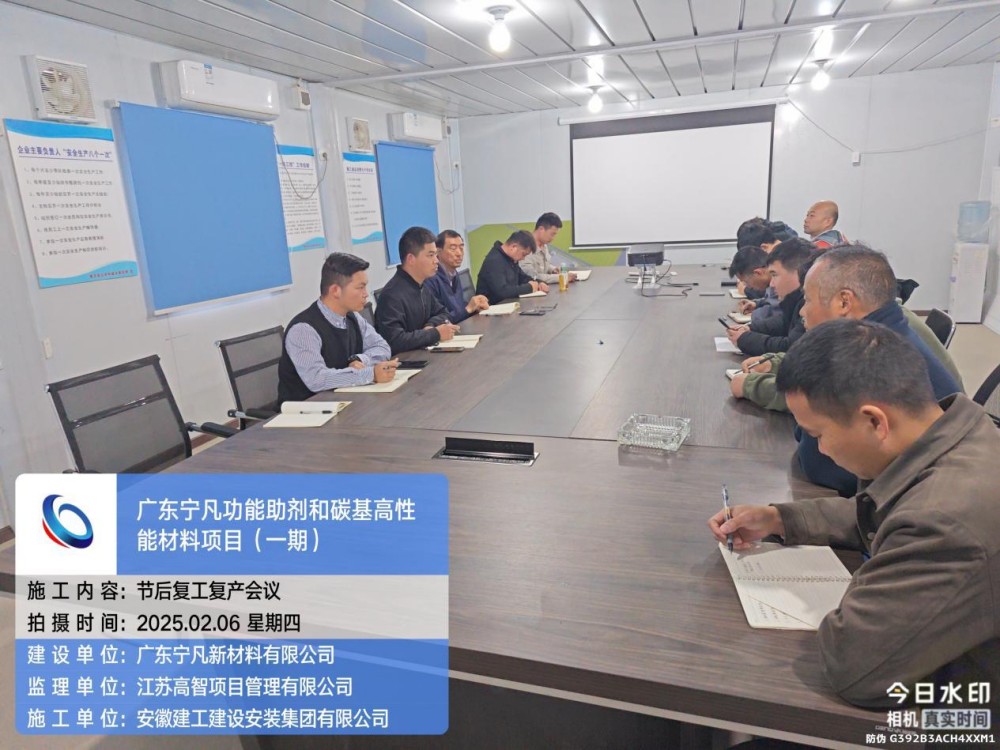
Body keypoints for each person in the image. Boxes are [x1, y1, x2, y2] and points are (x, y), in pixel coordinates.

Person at [709, 319, 999, 709]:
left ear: (874, 421)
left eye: (818, 434)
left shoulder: (945, 520)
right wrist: (778, 519)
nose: (820, 449)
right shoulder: (958, 433)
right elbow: (884, 512)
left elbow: (854, 667)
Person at [731, 245, 962, 496]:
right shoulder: (885, 330)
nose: (802, 311)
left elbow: (821, 466)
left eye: (808, 299)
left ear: (844, 302)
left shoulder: (871, 353)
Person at [278, 252, 396, 404]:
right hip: (307, 411)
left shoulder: (353, 318)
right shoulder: (303, 329)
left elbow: (382, 347)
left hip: (344, 402)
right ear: (335, 291)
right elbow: (317, 379)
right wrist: (370, 374)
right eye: (360, 287)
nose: (366, 294)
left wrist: (360, 359)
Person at [375, 226, 460, 355]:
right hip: (404, 361)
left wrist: (431, 325)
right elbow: (395, 341)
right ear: (411, 259)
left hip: (424, 355)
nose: (436, 261)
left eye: (436, 255)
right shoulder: (392, 295)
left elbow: (444, 313)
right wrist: (434, 333)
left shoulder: (421, 286)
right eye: (430, 255)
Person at [726, 239, 813, 356]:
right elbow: (784, 322)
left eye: (775, 275)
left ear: (797, 273)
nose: (771, 284)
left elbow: (790, 347)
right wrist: (750, 328)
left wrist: (745, 339)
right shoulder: (796, 299)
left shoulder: (809, 301)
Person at [424, 230, 489, 323]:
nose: (459, 253)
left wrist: (476, 307)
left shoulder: (454, 274)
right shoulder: (431, 279)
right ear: (438, 251)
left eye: (461, 248)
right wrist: (468, 309)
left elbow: (458, 308)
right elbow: (440, 319)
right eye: (453, 248)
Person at [476, 230, 548, 304]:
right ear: (513, 247)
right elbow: (502, 292)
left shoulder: (510, 258)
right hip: (491, 307)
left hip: (507, 305)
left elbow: (522, 277)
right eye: (523, 254)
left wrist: (538, 283)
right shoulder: (494, 261)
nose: (523, 258)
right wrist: (529, 288)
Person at [520, 212, 575, 284]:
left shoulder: (544, 245)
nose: (553, 238)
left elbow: (542, 265)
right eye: (552, 234)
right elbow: (533, 276)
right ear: (541, 229)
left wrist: (553, 269)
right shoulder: (525, 248)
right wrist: (562, 277)